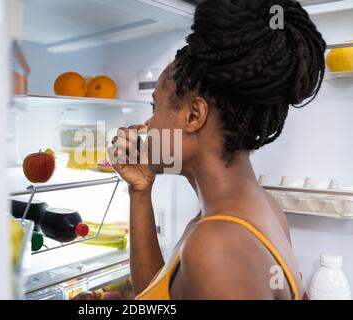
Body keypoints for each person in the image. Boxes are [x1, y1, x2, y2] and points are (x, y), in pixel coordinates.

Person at [108, 0, 326, 299]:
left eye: (155, 106)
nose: (148, 123)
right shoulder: (252, 209)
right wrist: (140, 193)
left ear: (194, 116)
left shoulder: (216, 244)